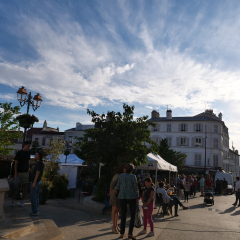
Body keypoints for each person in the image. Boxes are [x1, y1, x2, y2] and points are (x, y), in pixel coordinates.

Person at [115, 163, 139, 240]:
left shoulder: (121, 176)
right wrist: (137, 198)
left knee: (123, 214)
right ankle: (130, 233)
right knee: (132, 215)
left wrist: (114, 190)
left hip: (122, 197)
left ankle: (122, 233)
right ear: (132, 170)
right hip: (131, 197)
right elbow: (136, 188)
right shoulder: (133, 177)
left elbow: (118, 186)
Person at [11, 141, 31, 207]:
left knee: (25, 186)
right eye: (28, 145)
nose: (29, 147)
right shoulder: (19, 153)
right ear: (25, 145)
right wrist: (15, 173)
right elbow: (16, 163)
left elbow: (28, 161)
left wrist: (28, 168)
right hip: (19, 172)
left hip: (25, 172)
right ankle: (13, 200)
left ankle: (23, 201)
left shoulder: (28, 153)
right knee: (16, 186)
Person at [109, 163, 127, 234]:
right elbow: (112, 183)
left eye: (126, 167)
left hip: (120, 195)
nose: (126, 169)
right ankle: (114, 227)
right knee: (114, 210)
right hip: (115, 194)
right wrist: (110, 192)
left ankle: (116, 226)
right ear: (122, 168)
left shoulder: (125, 175)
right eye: (125, 167)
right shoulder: (118, 175)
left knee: (117, 211)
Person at [29, 151, 44, 216]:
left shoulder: (38, 163)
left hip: (36, 181)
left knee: (33, 197)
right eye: (35, 154)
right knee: (36, 196)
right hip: (39, 181)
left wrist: (34, 182)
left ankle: (35, 211)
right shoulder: (41, 163)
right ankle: (36, 210)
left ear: (39, 156)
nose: (35, 155)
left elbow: (37, 173)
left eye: (37, 155)